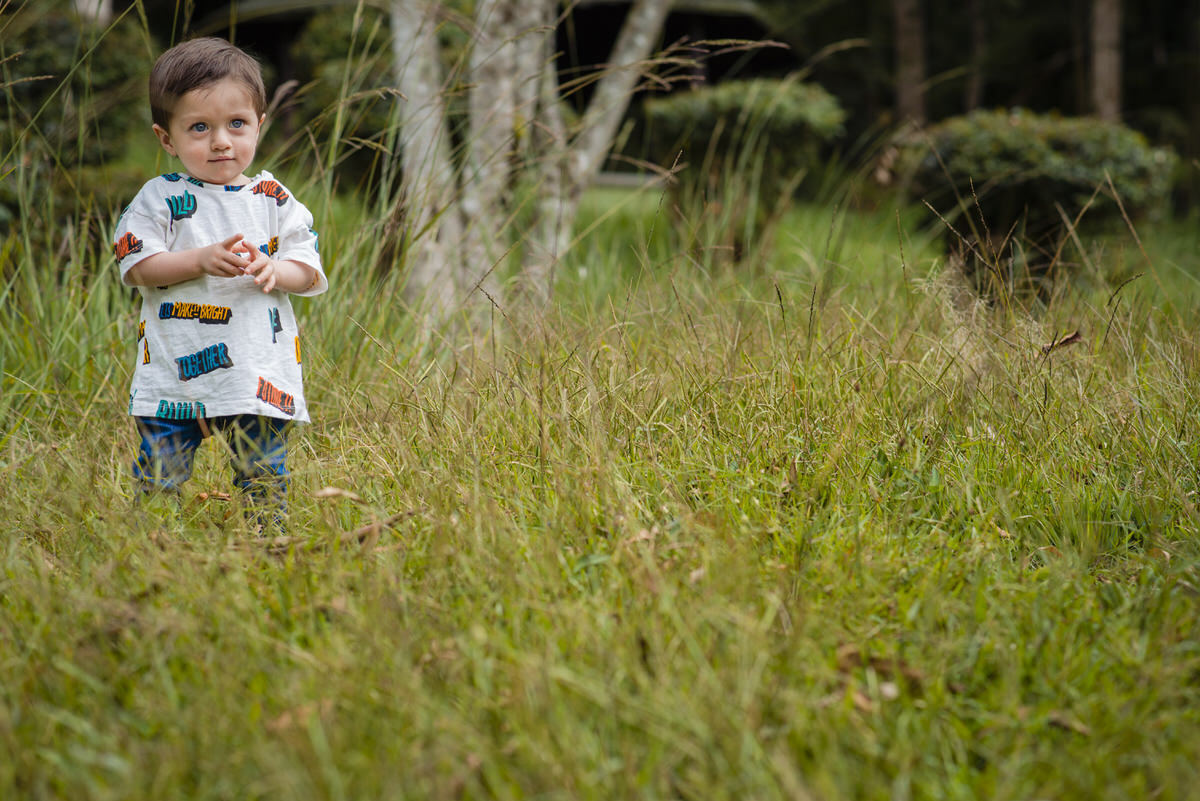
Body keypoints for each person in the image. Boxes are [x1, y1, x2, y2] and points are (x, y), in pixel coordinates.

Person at [112, 37, 327, 526]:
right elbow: (137, 266)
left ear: (259, 125)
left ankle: (269, 542)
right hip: (175, 372)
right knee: (161, 472)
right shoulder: (160, 197)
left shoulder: (271, 196)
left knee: (264, 471)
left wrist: (278, 270)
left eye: (237, 124)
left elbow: (307, 265)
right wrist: (200, 260)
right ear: (166, 138)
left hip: (256, 372)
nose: (221, 141)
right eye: (198, 128)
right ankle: (150, 542)